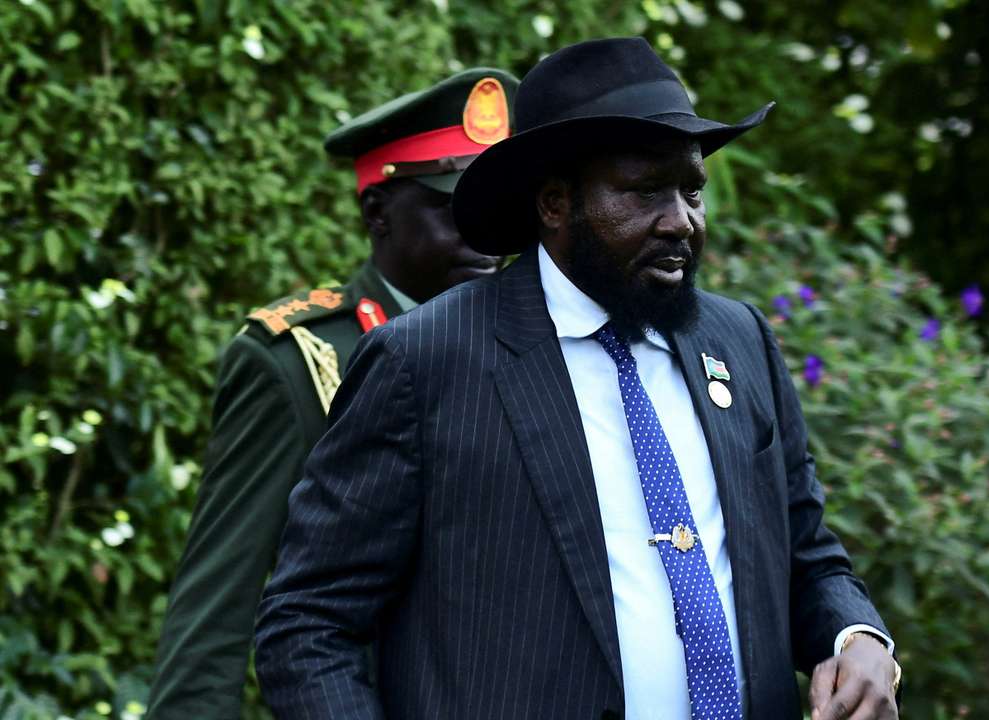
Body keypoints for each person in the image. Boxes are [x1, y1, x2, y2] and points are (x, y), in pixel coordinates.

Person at [255, 38, 900, 720]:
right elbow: (308, 622)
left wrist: (856, 636)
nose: (681, 221)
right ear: (555, 204)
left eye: (692, 191)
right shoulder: (427, 360)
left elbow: (805, 552)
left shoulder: (738, 340)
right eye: (645, 192)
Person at [147, 67, 519, 719]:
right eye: (453, 207)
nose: (483, 234)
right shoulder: (301, 361)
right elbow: (219, 600)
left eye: (495, 208)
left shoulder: (537, 342)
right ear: (378, 213)